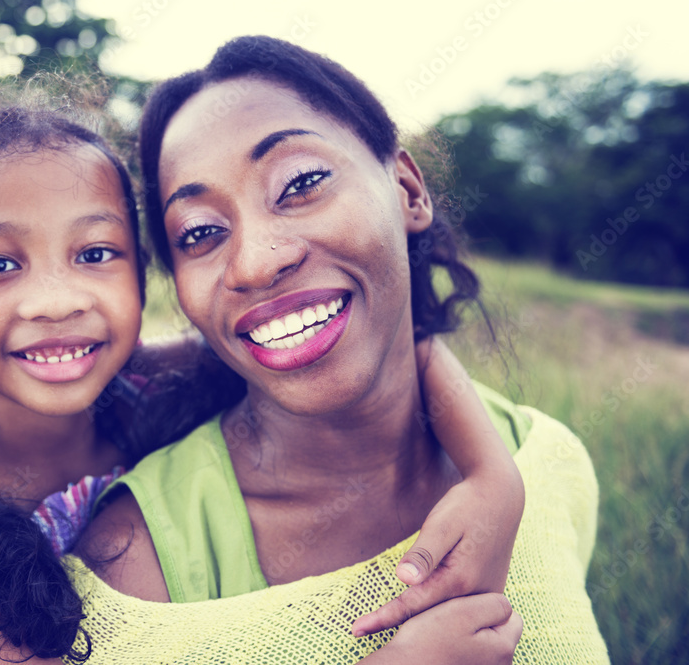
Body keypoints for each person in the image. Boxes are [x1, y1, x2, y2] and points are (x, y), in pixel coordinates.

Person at [0, 81, 525, 664]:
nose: (57, 300)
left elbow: (397, 345)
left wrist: (494, 478)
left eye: (95, 252)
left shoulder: (156, 377)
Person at [73, 36, 609, 663]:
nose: (256, 262)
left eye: (300, 183)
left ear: (408, 191)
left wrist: (497, 475)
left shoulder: (545, 464)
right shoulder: (136, 571)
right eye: (200, 233)